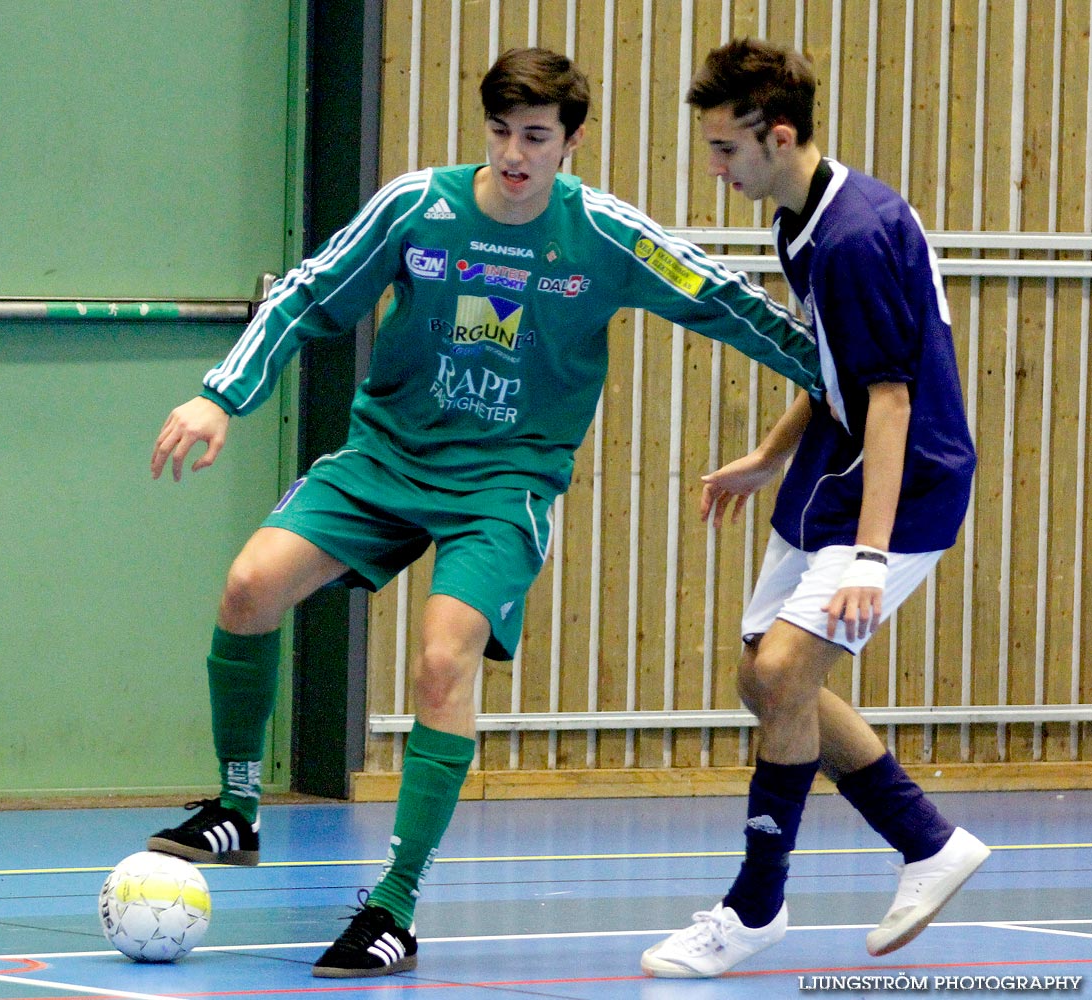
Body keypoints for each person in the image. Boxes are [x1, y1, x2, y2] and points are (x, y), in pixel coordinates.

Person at [147, 47, 822, 980]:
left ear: (570, 143)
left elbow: (729, 304)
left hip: (504, 485)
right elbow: (308, 294)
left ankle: (394, 904)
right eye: (501, 132)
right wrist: (223, 395)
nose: (513, 154)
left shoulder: (608, 237)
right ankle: (235, 808)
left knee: (439, 661)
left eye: (535, 137)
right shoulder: (417, 207)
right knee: (249, 589)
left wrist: (845, 373)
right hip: (385, 459)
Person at [640, 38, 990, 979]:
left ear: (777, 133)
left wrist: (872, 558)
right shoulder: (801, 222)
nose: (714, 168)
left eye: (724, 148)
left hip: (903, 481)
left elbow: (892, 398)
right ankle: (927, 840)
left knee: (789, 669)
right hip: (834, 464)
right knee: (761, 676)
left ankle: (754, 908)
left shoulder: (853, 237)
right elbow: (834, 366)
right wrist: (767, 455)